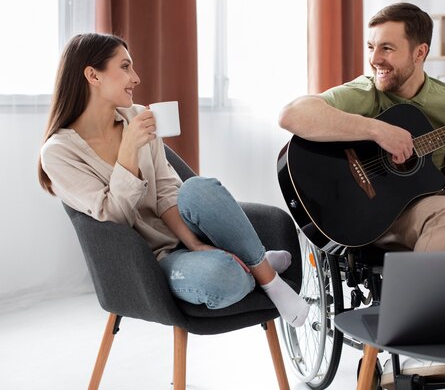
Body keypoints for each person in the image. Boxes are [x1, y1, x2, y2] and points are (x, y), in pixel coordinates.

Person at [38, 33, 309, 327]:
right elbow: (113, 218)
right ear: (93, 75)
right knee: (220, 277)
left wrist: (193, 243)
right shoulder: (58, 153)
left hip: (184, 236)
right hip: (151, 263)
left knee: (198, 188)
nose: (136, 78)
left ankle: (268, 279)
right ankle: (258, 263)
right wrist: (128, 150)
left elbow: (167, 190)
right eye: (125, 67)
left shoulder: (138, 116)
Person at [279, 3, 445, 252]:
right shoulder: (365, 92)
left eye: (387, 48)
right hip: (376, 212)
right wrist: (378, 130)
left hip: (423, 198)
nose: (374, 59)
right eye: (371, 47)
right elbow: (291, 115)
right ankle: (419, 291)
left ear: (419, 53)